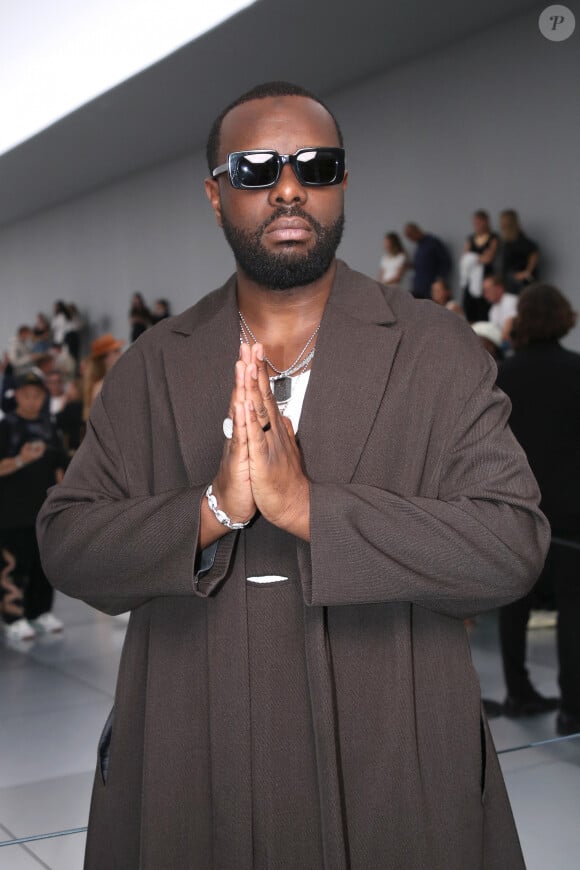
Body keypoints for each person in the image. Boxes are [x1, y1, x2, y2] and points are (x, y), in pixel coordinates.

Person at [37, 81, 549, 870]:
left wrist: (313, 510)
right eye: (255, 169)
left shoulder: (434, 348)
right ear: (215, 196)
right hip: (190, 763)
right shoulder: (150, 367)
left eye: (316, 165)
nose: (288, 187)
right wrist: (210, 508)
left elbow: (511, 544)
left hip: (396, 764)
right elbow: (68, 545)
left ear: (341, 184)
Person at [496, 285, 580, 734]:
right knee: (574, 609)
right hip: (571, 510)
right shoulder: (576, 371)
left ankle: (518, 691)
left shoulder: (503, 374)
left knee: (514, 604)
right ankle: (573, 708)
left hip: (517, 508)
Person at [0, 372, 68, 640]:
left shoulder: (49, 427)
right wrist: (21, 460)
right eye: (26, 395)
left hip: (43, 511)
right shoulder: (6, 427)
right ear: (16, 396)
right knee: (12, 566)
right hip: (11, 513)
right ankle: (12, 616)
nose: (32, 400)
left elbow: (61, 465)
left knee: (43, 566)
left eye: (37, 395)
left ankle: (39, 612)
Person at [460, 210, 498, 323]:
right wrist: (478, 258)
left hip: (485, 278)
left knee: (484, 307)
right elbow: (464, 258)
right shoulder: (471, 238)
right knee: (469, 307)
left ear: (486, 222)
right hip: (471, 279)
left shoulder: (493, 238)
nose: (477, 225)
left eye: (479, 222)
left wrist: (474, 258)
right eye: (475, 223)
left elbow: (489, 258)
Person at [81, 334, 124, 421]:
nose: (121, 354)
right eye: (116, 351)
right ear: (106, 358)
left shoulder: (106, 383)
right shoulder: (101, 387)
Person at [403, 222, 451, 299]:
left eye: (410, 236)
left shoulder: (433, 242)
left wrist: (440, 278)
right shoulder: (419, 246)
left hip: (430, 286)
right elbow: (421, 264)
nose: (411, 239)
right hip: (418, 287)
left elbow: (445, 262)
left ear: (416, 231)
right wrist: (410, 265)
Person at [498, 209, 539, 295]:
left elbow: (533, 254)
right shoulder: (507, 242)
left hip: (517, 283)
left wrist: (527, 272)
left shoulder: (521, 241)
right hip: (508, 281)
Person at [482, 275, 518, 344]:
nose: (485, 294)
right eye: (484, 291)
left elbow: (508, 331)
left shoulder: (511, 301)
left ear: (499, 288)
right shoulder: (492, 310)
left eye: (488, 290)